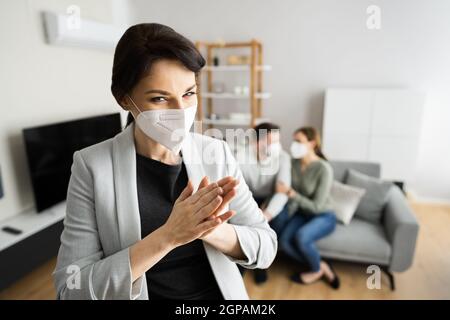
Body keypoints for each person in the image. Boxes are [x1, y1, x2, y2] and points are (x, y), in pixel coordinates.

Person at [53, 23, 277, 300]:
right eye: (160, 98)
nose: (181, 111)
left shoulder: (216, 153)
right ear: (124, 99)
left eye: (188, 93)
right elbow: (70, 289)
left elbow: (267, 247)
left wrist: (211, 229)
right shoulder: (91, 167)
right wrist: (169, 236)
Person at [276, 127, 340, 289]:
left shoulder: (323, 169)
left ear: (312, 143)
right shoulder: (294, 163)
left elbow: (317, 206)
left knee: (302, 237)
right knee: (284, 241)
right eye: (294, 141)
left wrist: (291, 193)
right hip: (303, 214)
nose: (294, 145)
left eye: (299, 141)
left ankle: (316, 270)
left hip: (323, 215)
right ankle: (321, 265)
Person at [236, 122, 291, 284]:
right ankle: (244, 260)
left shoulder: (283, 158)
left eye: (277, 141)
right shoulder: (241, 156)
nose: (276, 146)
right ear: (257, 141)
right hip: (248, 197)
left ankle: (261, 264)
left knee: (277, 222)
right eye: (271, 141)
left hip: (273, 198)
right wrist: (252, 210)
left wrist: (266, 215)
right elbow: (238, 187)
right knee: (242, 223)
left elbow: (282, 192)